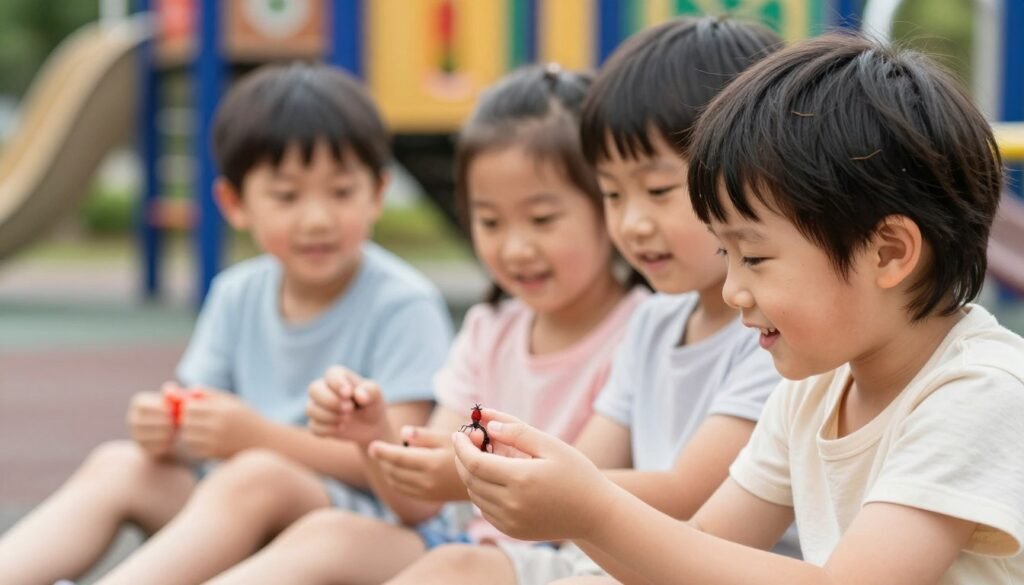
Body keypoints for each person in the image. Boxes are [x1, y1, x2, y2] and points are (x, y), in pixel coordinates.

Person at [453, 33, 1024, 585]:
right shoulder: (813, 389)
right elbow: (704, 548)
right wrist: (572, 510)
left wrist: (594, 509)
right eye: (725, 253)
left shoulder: (977, 391)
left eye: (753, 256)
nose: (732, 290)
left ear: (889, 252)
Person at [0, 63, 453, 585]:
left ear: (377, 193)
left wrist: (256, 437)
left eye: (341, 192)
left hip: (361, 527)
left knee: (260, 474)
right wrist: (171, 430)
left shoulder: (402, 302)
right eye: (286, 196)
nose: (317, 219)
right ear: (235, 204)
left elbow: (401, 463)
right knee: (121, 463)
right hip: (235, 511)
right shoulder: (237, 292)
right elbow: (206, 422)